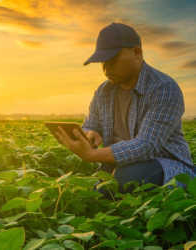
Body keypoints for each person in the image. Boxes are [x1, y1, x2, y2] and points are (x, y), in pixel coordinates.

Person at [55, 22, 196, 194]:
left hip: (164, 163)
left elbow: (147, 146)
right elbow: (91, 124)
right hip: (118, 165)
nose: (106, 69)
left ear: (137, 52)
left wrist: (92, 155)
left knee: (127, 177)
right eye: (103, 62)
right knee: (82, 188)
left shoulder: (163, 88)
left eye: (112, 60)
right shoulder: (103, 91)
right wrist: (90, 134)